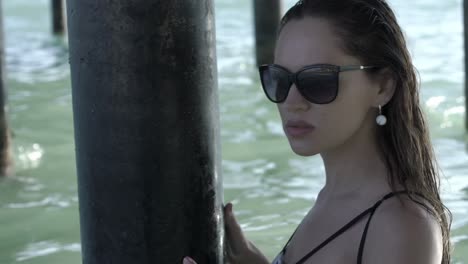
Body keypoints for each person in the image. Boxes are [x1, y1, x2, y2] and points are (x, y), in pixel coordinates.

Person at [183, 0, 452, 263]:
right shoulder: (333, 197)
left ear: (382, 86)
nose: (292, 102)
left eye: (318, 80)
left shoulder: (399, 225)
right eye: (280, 80)